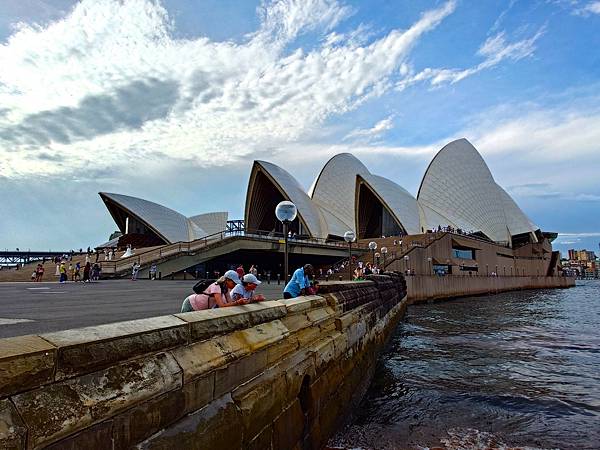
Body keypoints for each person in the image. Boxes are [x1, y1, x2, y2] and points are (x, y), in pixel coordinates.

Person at [180, 270, 246, 312]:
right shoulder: (216, 286)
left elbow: (230, 302)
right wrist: (237, 302)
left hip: (201, 308)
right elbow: (222, 305)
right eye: (233, 283)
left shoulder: (225, 288)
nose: (234, 285)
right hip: (191, 304)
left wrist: (239, 302)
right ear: (227, 280)